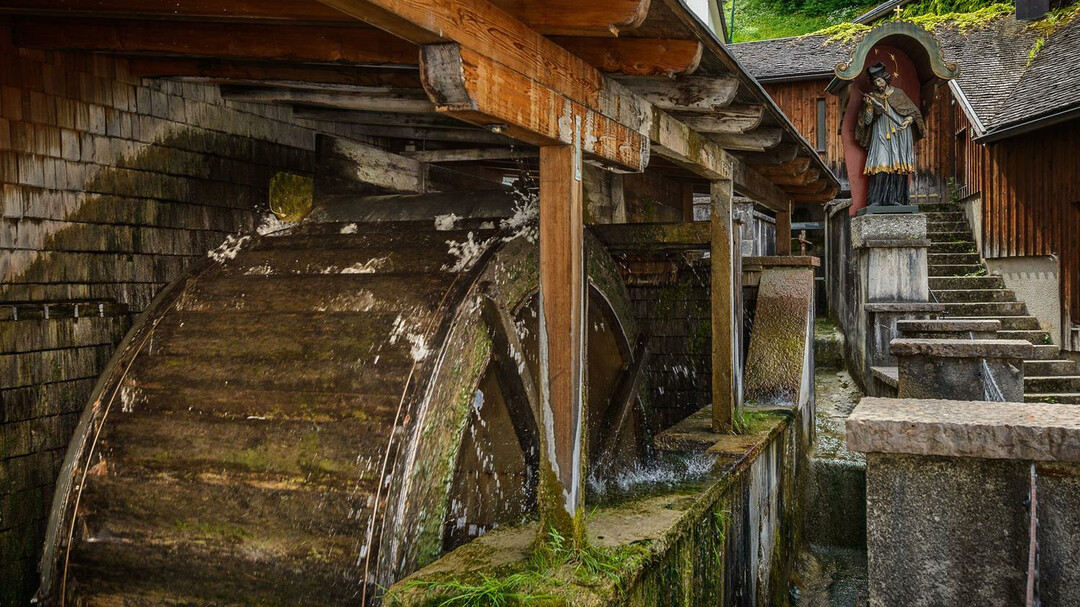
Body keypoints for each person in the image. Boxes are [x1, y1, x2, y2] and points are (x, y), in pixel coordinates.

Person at [856, 62, 925, 207]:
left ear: (886, 80)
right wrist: (869, 107)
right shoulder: (872, 97)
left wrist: (908, 120)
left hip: (899, 134)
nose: (878, 84)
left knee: (897, 165)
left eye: (880, 81)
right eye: (875, 82)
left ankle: (897, 200)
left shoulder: (898, 94)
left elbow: (914, 113)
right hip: (880, 134)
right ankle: (876, 200)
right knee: (881, 162)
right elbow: (866, 122)